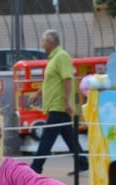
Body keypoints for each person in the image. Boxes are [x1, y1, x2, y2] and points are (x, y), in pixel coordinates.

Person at [29, 29, 89, 176]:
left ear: (50, 42)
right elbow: (50, 81)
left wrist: (66, 101)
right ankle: (82, 163)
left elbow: (67, 78)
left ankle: (36, 167)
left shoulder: (61, 56)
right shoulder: (53, 58)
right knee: (69, 136)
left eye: (43, 41)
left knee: (46, 138)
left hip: (59, 106)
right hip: (55, 106)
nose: (42, 44)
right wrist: (38, 94)